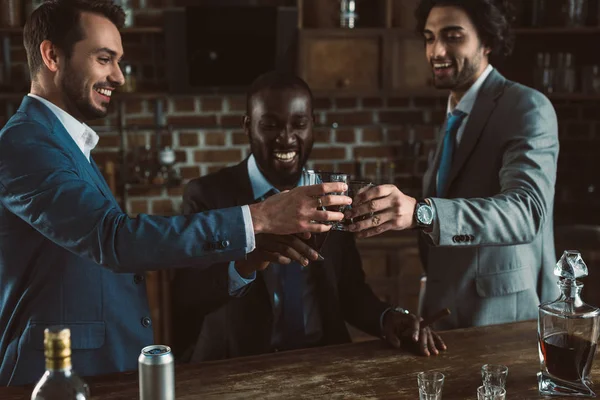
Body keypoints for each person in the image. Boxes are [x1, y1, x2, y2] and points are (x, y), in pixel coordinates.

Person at [0, 0, 351, 386]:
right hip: (51, 378)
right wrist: (260, 216)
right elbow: (114, 238)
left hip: (97, 369)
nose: (117, 75)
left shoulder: (60, 141)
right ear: (52, 55)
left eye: (118, 61)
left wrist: (252, 245)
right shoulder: (24, 144)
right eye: (104, 59)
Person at [171, 71, 446, 362]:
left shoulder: (333, 195)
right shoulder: (208, 196)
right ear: (247, 126)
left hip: (321, 362)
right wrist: (245, 262)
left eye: (299, 124)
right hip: (237, 365)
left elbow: (350, 292)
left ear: (313, 125)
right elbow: (188, 295)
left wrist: (389, 318)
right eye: (270, 125)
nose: (286, 138)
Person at [345, 0, 559, 330]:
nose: (436, 51)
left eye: (453, 36)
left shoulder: (526, 106)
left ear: (487, 41)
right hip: (445, 312)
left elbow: (527, 211)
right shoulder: (455, 114)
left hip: (503, 318)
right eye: (429, 38)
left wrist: (422, 212)